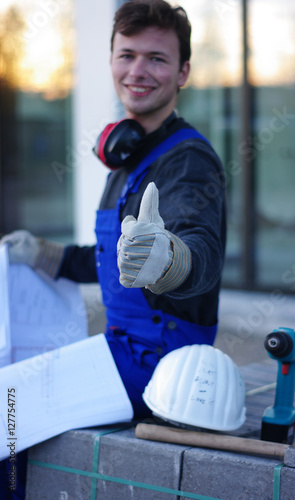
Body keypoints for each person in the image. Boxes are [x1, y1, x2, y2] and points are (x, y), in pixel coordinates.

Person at [1, 0, 226, 420]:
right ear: (111, 61)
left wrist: (170, 260)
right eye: (127, 55)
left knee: (12, 403)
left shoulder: (188, 160)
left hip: (162, 364)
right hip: (120, 348)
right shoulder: (126, 159)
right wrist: (45, 255)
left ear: (183, 73)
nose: (137, 71)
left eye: (156, 59)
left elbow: (203, 250)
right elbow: (114, 261)